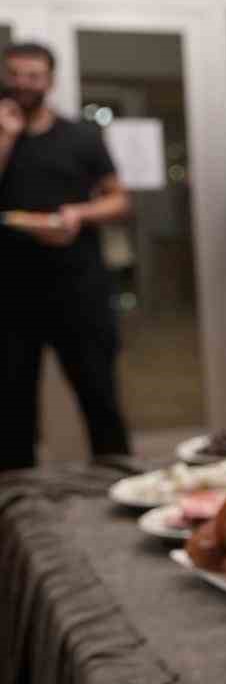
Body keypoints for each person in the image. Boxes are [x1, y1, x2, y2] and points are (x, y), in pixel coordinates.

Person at [0, 40, 133, 470]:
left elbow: (119, 201)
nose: (23, 84)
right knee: (11, 407)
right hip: (11, 294)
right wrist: (6, 138)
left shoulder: (80, 136)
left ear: (50, 81)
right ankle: (16, 508)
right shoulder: (2, 133)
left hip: (79, 288)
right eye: (15, 74)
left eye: (33, 76)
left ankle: (117, 480)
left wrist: (79, 213)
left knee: (100, 396)